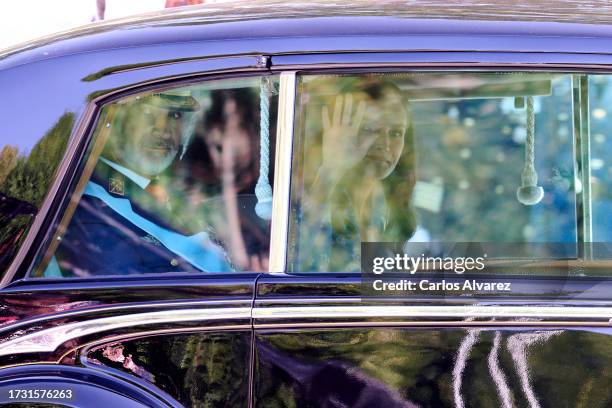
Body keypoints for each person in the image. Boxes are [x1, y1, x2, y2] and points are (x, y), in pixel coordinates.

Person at [42, 90, 232, 277]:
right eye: (148, 113)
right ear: (115, 122)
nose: (163, 130)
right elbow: (124, 290)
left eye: (174, 115)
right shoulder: (87, 202)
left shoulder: (174, 196)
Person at [300, 78, 419, 271]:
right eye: (370, 129)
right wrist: (331, 168)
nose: (385, 144)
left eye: (396, 133)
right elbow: (300, 254)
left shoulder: (391, 210)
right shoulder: (316, 200)